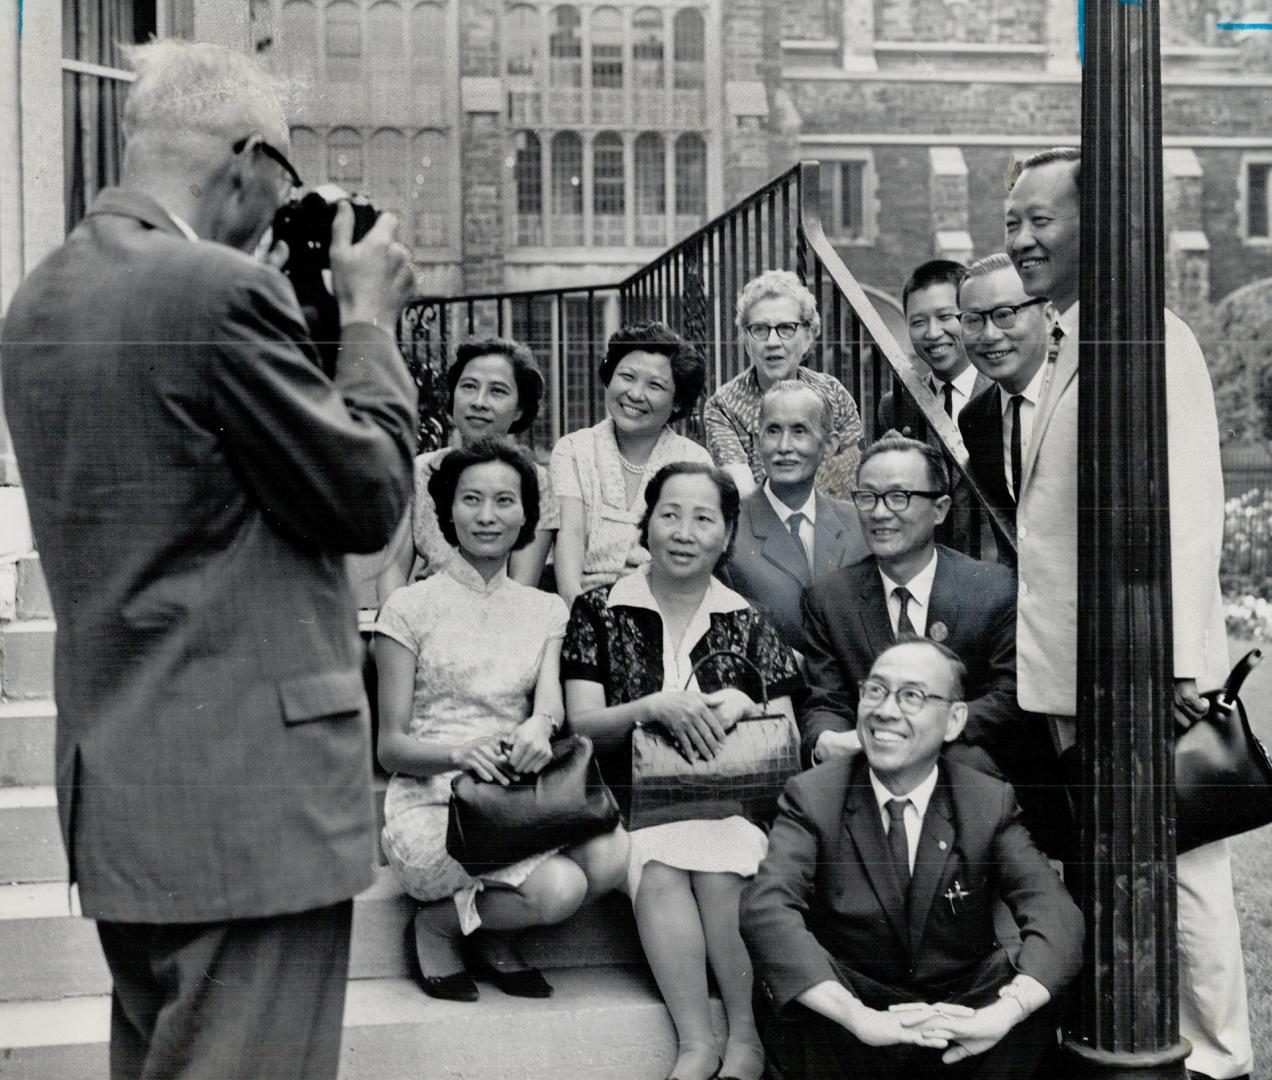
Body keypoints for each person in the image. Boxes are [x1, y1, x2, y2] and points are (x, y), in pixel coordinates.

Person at [0, 40, 417, 1080]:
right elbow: (365, 496)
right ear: (247, 160)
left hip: (129, 793)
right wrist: (367, 322)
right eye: (283, 183)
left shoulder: (41, 301)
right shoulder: (216, 293)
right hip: (250, 803)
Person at [1006, 145, 1253, 1080]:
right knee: (1124, 867)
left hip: (1143, 673)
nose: (1023, 239)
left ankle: (1221, 1062)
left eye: (1041, 220)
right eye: (1012, 224)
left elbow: (1188, 509)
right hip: (1081, 674)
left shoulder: (1150, 335)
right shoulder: (1069, 338)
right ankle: (1135, 1029)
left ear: (1096, 225)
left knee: (1184, 868)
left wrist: (1182, 666)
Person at [740, 639, 1084, 1080]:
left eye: (912, 696)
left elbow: (1055, 912)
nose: (885, 711)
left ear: (954, 719)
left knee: (1028, 975)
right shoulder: (814, 794)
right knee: (798, 980)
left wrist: (1004, 1012)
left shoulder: (984, 799)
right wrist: (858, 1017)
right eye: (875, 691)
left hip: (958, 1018)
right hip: (851, 1021)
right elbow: (765, 907)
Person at [562, 462, 803, 1080]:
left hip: (730, 803)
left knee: (723, 859)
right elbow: (580, 724)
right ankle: (697, 1043)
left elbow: (787, 734)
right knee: (663, 860)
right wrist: (651, 707)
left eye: (704, 518)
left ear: (726, 535)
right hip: (630, 804)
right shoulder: (598, 610)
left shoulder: (746, 620)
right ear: (647, 524)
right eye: (669, 514)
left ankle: (745, 1039)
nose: (684, 531)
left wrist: (745, 702)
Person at [375, 439, 627, 1002]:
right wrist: (461, 752)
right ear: (447, 512)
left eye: (504, 501)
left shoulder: (544, 608)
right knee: (560, 888)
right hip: (436, 801)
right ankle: (437, 924)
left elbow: (549, 704)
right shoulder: (408, 608)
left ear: (525, 514)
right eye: (471, 500)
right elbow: (390, 748)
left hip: (514, 793)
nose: (487, 516)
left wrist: (540, 727)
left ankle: (484, 928)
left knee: (612, 857)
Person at [800, 434, 1019, 777]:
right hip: (868, 779)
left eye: (899, 497)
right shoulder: (830, 599)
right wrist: (824, 739)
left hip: (966, 780)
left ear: (940, 509)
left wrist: (922, 730)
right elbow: (825, 703)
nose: (880, 513)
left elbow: (1008, 696)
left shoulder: (992, 589)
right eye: (868, 497)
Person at [376, 337, 558, 602]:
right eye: (469, 386)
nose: (479, 402)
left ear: (519, 409)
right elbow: (392, 571)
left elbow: (522, 586)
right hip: (423, 615)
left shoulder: (536, 482)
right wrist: (399, 623)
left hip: (498, 621)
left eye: (497, 391)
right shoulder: (419, 471)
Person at [550, 321, 711, 606]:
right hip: (582, 605)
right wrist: (577, 613)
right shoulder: (574, 449)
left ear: (677, 402)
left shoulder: (693, 461)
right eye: (627, 376)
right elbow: (570, 533)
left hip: (662, 607)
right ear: (610, 378)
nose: (635, 394)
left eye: (655, 385)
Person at [719, 380, 867, 652]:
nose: (784, 446)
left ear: (829, 445)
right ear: (757, 440)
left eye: (800, 431)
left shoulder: (858, 524)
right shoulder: (729, 528)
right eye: (773, 431)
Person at [704, 269, 863, 501]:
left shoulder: (833, 393)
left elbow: (854, 475)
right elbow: (745, 494)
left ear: (808, 336)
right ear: (746, 341)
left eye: (786, 328)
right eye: (759, 329)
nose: (772, 342)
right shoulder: (723, 406)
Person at [881, 259, 993, 557]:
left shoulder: (1003, 391)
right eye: (918, 322)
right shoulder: (897, 405)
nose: (932, 333)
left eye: (945, 316)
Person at [956, 253, 1058, 542]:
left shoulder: (1084, 399)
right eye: (973, 320)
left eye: (1004, 315)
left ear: (1048, 316)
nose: (989, 335)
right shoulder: (974, 419)